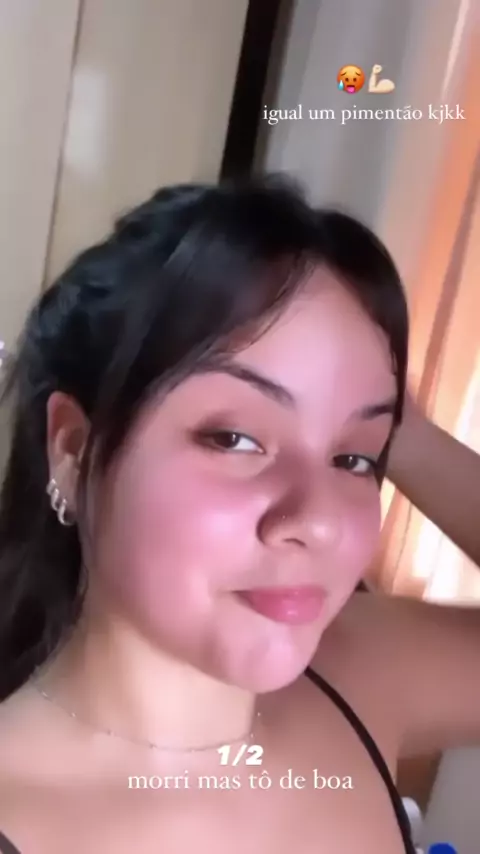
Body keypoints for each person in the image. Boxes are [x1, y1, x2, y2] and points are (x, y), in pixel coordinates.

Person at [0, 175, 478, 854]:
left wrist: (405, 432)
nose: (318, 520)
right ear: (75, 451)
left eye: (353, 459)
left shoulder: (360, 671)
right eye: (234, 438)